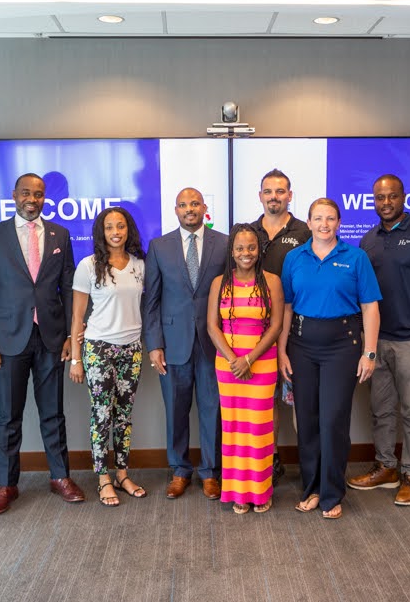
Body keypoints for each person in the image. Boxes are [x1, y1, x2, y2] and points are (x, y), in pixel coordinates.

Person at [0, 173, 85, 514]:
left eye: (38, 194)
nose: (32, 200)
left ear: (44, 198)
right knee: (9, 415)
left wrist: (70, 336)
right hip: (9, 339)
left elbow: (68, 287)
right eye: (26, 193)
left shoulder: (60, 234)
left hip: (51, 336)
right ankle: (7, 484)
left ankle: (60, 476)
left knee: (53, 412)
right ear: (14, 195)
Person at [347, 175, 410, 506]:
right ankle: (386, 467)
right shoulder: (368, 240)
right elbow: (362, 294)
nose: (386, 203)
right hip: (377, 342)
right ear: (373, 201)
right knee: (381, 410)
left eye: (391, 196)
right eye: (380, 197)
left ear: (404, 197)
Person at [278, 198, 381, 520]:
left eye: (331, 218)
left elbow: (370, 307)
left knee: (333, 420)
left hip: (342, 346)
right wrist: (281, 350)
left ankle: (331, 493)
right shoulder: (294, 258)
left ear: (339, 223)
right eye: (318, 218)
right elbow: (286, 308)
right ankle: (311, 488)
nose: (324, 224)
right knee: (307, 420)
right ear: (308, 223)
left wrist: (369, 353)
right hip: (301, 345)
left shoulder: (356, 257)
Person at [143, 187, 229, 500]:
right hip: (172, 343)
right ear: (176, 210)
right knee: (176, 410)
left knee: (212, 410)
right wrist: (154, 344)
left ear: (205, 208)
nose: (189, 209)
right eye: (183, 204)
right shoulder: (159, 246)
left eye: (194, 203)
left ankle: (210, 472)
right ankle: (180, 470)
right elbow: (151, 300)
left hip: (213, 342)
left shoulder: (224, 243)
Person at [69, 207, 147, 507]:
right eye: (110, 227)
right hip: (98, 349)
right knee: (101, 415)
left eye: (121, 226)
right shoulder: (88, 266)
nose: (116, 232)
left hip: (132, 349)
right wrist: (76, 359)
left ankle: (122, 474)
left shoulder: (140, 265)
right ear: (101, 232)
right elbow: (77, 317)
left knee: (124, 416)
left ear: (129, 230)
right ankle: (103, 478)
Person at [207, 224, 284, 514]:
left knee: (259, 429)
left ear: (259, 249)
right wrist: (234, 360)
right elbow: (212, 326)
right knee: (234, 429)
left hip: (261, 364)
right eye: (239, 248)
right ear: (232, 251)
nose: (246, 253)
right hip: (229, 367)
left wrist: (249, 359)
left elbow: (276, 326)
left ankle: (261, 492)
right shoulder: (219, 283)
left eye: (251, 247)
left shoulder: (272, 281)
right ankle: (238, 492)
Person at [250, 168, 311, 484]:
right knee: (266, 400)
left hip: (297, 330)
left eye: (280, 191)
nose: (274, 197)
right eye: (268, 191)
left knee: (302, 399)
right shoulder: (248, 233)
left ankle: (311, 465)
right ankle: (270, 459)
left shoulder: (305, 232)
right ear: (260, 196)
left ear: (289, 195)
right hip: (255, 332)